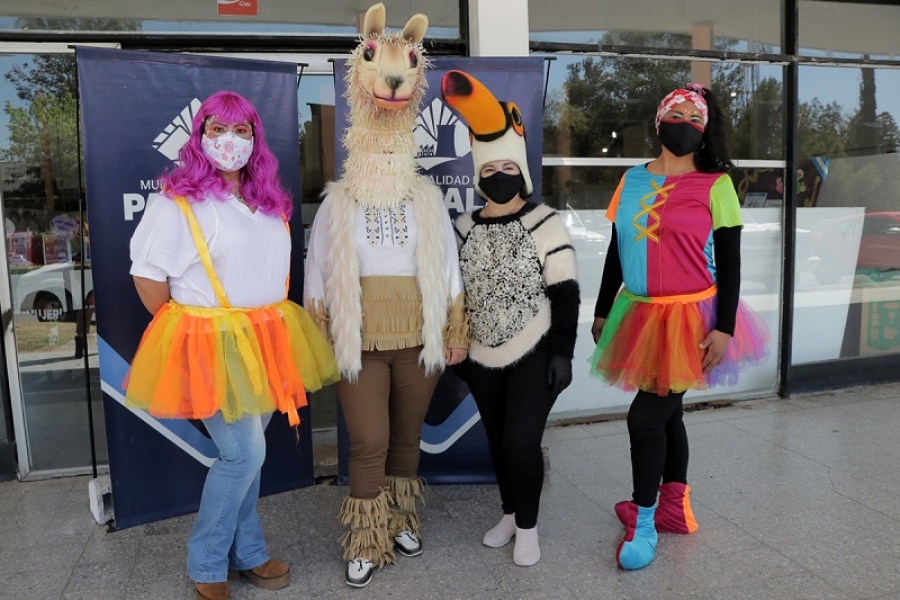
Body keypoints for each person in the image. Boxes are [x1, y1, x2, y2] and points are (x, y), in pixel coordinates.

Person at [125, 90, 338, 600]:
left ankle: (249, 553)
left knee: (251, 455)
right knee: (243, 454)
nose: (230, 140)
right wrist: (193, 334)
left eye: (242, 131)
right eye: (218, 129)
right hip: (214, 344)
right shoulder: (177, 203)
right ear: (200, 136)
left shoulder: (267, 202)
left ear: (255, 140)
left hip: (266, 339)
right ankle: (207, 562)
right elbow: (148, 277)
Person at [303, 3, 468, 589]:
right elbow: (318, 271)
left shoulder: (425, 198)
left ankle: (399, 519)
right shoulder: (338, 202)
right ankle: (365, 538)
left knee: (405, 436)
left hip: (418, 336)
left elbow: (447, 266)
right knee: (369, 438)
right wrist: (319, 331)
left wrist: (454, 329)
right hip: (360, 337)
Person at [589, 84, 769, 571]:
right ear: (659, 120)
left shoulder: (717, 184)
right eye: (678, 114)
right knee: (668, 415)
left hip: (691, 320)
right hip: (638, 313)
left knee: (645, 419)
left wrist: (725, 328)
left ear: (705, 130)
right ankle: (674, 509)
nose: (686, 123)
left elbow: (730, 263)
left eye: (696, 117)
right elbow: (616, 249)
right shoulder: (631, 180)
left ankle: (645, 520)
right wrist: (603, 309)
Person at [443, 70, 580, 567]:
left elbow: (565, 293)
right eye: (489, 167)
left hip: (535, 351)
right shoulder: (462, 226)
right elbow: (453, 292)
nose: (498, 174)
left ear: (520, 171)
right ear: (477, 174)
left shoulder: (546, 223)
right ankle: (509, 512)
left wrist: (563, 354)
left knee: (522, 443)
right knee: (498, 443)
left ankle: (528, 527)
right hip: (481, 355)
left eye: (507, 166)